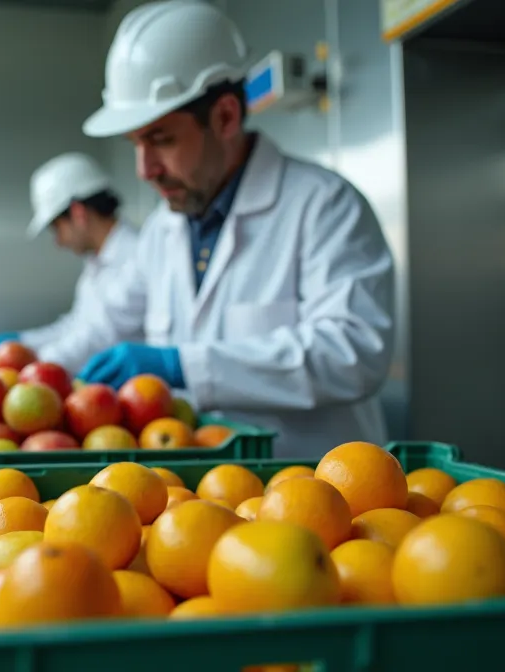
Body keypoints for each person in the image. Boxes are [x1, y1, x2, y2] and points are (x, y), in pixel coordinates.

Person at [63, 0, 396, 456]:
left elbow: (354, 352)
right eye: (136, 145)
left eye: (161, 139)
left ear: (225, 117)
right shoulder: (164, 231)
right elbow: (104, 326)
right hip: (198, 497)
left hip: (318, 490)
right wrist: (15, 363)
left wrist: (184, 365)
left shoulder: (324, 205)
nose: (145, 169)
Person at [0, 152, 140, 371]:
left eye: (56, 228)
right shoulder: (96, 261)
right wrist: (22, 342)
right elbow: (77, 325)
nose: (58, 242)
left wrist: (35, 366)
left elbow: (100, 335)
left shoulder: (135, 256)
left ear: (78, 213)